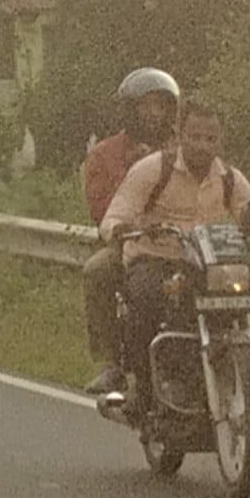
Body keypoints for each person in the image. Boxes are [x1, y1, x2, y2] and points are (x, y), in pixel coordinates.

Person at [97, 98, 250, 398]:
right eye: (195, 136)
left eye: (211, 138)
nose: (203, 145)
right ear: (179, 135)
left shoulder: (231, 180)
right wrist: (124, 228)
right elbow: (116, 215)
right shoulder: (153, 169)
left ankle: (241, 375)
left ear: (221, 141)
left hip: (209, 269)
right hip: (157, 261)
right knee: (144, 295)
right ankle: (142, 387)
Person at [80, 67, 180, 395]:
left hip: (184, 242)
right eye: (145, 106)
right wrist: (133, 174)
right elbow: (102, 212)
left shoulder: (186, 149)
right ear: (130, 109)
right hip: (130, 242)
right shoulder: (105, 154)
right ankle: (112, 364)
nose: (154, 114)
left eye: (161, 106)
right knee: (97, 271)